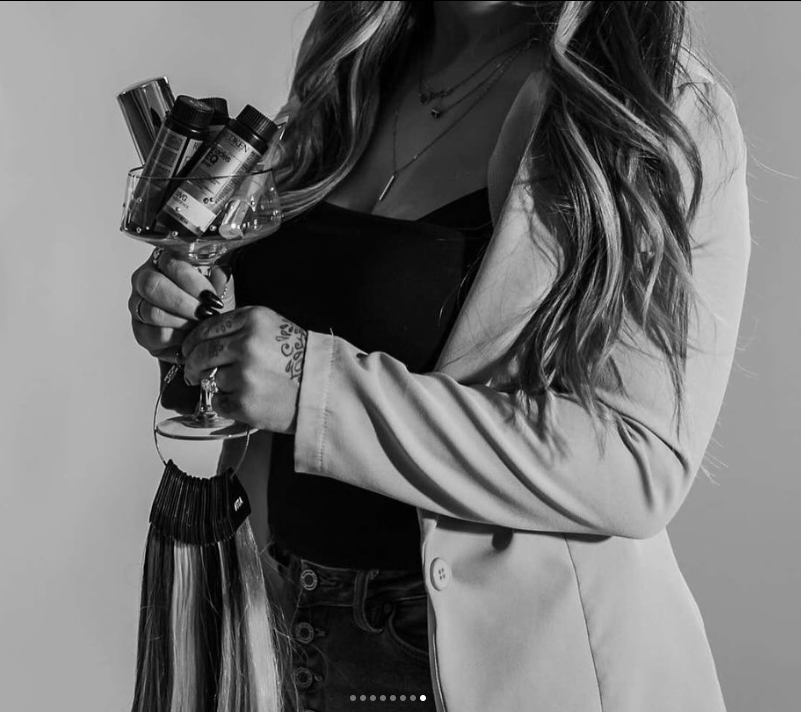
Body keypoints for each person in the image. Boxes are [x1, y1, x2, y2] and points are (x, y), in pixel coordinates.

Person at [128, 2, 751, 711]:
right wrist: (200, 335)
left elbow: (637, 463)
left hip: (510, 670)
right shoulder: (352, 73)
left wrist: (311, 384)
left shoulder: (648, 106)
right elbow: (297, 353)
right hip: (289, 637)